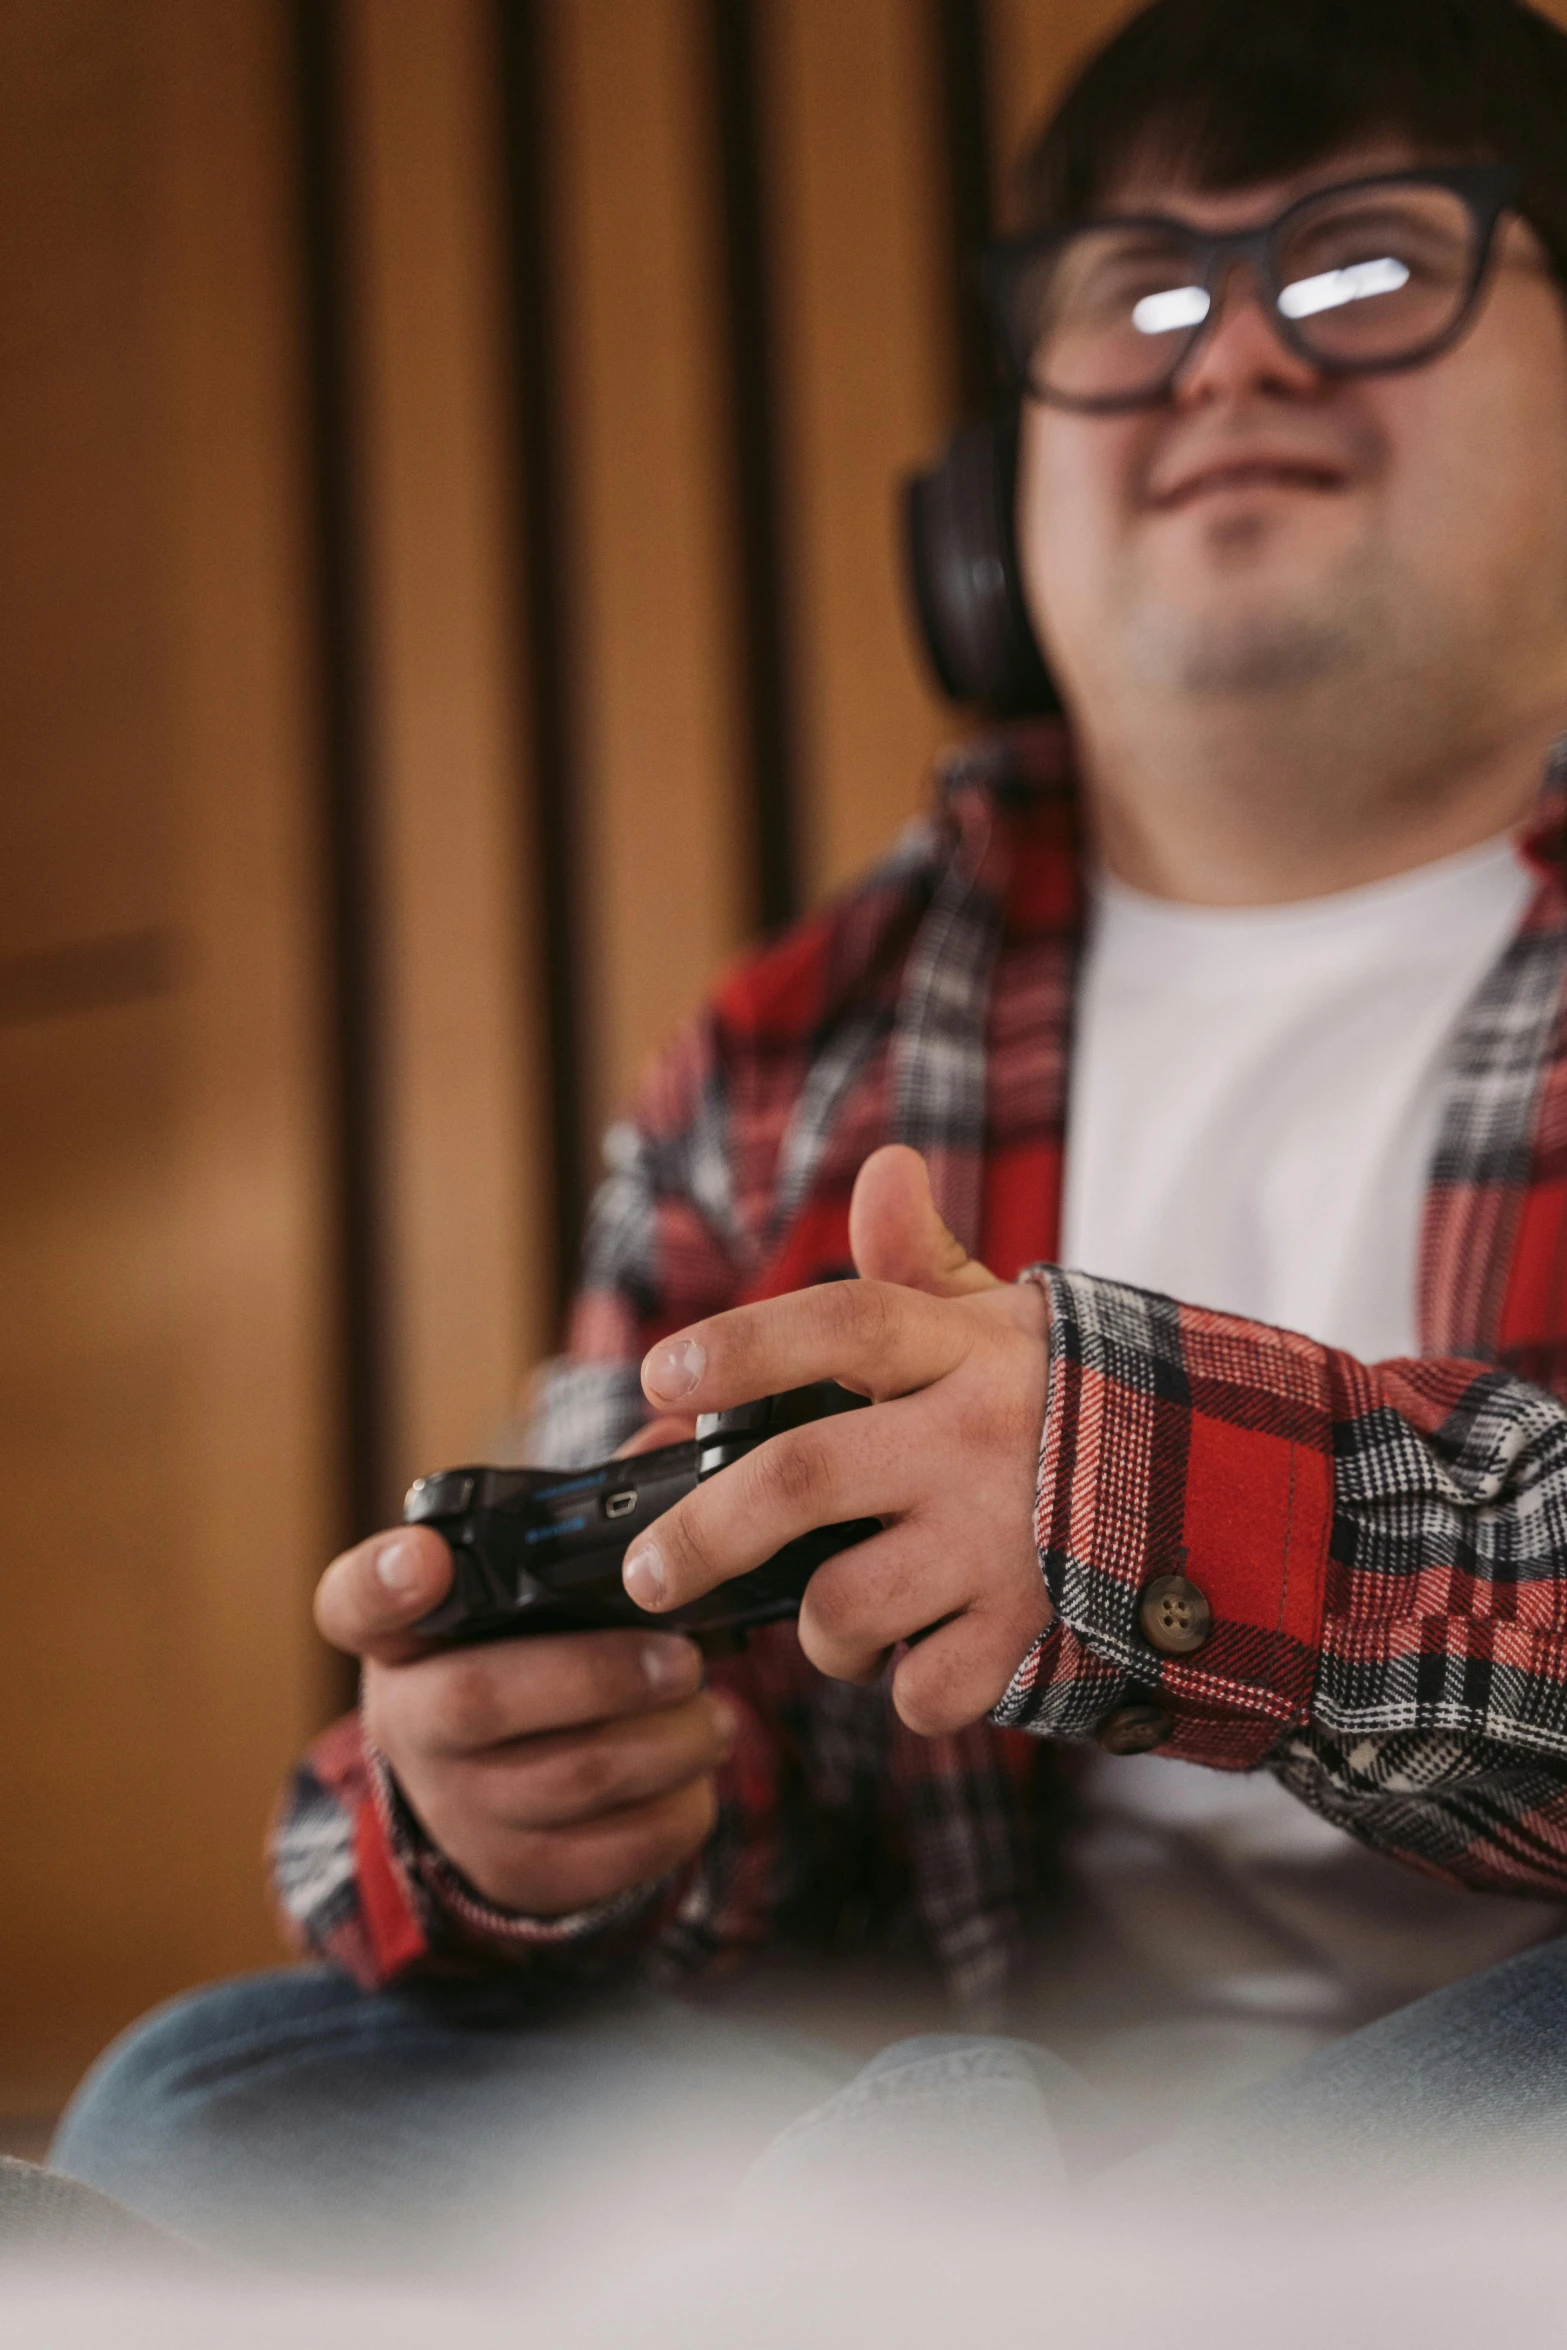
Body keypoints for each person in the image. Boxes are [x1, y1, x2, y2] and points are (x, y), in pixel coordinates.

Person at [48, 0, 1567, 2267]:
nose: (1226, 363)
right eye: (1134, 300)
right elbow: (736, 1847)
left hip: (1480, 2101)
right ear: (988, 504)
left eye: (1362, 271)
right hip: (918, 2104)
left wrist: (1142, 1490)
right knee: (210, 2085)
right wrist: (557, 1811)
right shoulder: (785, 1052)